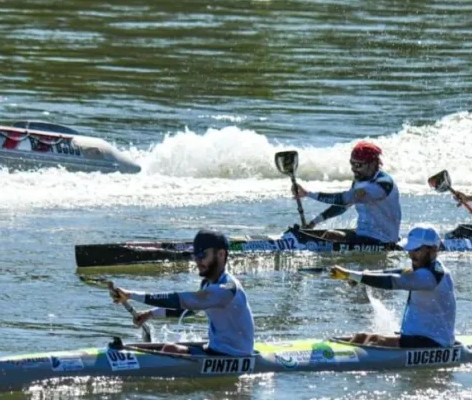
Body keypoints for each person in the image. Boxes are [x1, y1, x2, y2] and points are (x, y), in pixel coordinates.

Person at [107, 229, 255, 356]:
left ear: (221, 254)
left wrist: (131, 295)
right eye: (195, 255)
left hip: (235, 355)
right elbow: (189, 310)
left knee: (170, 349)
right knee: (149, 346)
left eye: (203, 254)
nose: (197, 261)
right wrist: (150, 314)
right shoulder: (208, 284)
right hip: (217, 349)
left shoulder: (228, 287)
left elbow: (182, 300)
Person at [329, 224, 456, 348]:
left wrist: (353, 275)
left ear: (433, 249)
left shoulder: (430, 276)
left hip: (433, 343)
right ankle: (330, 344)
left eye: (416, 249)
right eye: (410, 249)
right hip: (418, 338)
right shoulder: (427, 267)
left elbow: (394, 280)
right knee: (363, 337)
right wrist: (360, 275)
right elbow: (397, 272)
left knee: (374, 342)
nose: (411, 254)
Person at [291, 140, 401, 244]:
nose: (353, 169)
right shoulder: (358, 181)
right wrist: (313, 223)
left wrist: (308, 194)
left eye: (358, 165)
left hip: (384, 239)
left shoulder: (382, 184)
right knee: (320, 235)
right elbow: (343, 206)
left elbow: (344, 198)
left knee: (329, 236)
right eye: (352, 163)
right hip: (363, 234)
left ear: (372, 164)